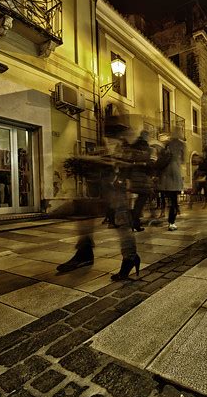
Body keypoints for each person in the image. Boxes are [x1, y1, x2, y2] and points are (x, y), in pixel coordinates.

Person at [56, 113, 141, 281]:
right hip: (100, 187)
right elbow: (99, 160)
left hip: (116, 190)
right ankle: (84, 252)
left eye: (113, 131)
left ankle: (130, 257)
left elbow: (126, 166)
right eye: (108, 131)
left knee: (121, 222)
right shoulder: (104, 144)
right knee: (85, 216)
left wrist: (113, 163)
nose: (109, 136)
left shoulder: (126, 148)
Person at [157, 127, 185, 231]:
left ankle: (166, 214)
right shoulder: (182, 144)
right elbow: (182, 160)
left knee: (166, 199)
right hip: (175, 174)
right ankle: (171, 223)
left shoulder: (167, 144)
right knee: (174, 201)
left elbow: (161, 159)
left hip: (165, 176)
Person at [129, 130, 153, 231]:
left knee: (139, 200)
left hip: (135, 176)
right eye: (148, 136)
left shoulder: (134, 146)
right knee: (141, 200)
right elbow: (147, 163)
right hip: (142, 177)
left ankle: (135, 222)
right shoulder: (145, 147)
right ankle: (134, 221)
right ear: (145, 137)